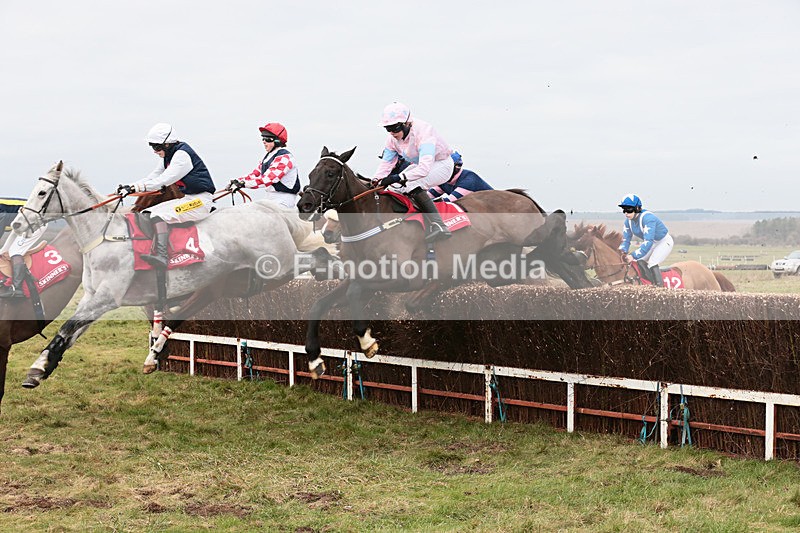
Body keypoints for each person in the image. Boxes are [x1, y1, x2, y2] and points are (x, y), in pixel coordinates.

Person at [117, 123, 216, 269]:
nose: (154, 151)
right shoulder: (169, 156)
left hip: (200, 201)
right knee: (147, 213)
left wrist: (135, 188)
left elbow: (163, 181)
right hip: (188, 198)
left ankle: (162, 256)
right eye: (152, 147)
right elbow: (152, 177)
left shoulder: (182, 156)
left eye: (156, 147)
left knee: (158, 216)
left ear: (168, 144)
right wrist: (129, 186)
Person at [372, 102, 454, 242]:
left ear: (407, 123)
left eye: (395, 128)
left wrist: (397, 177)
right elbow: (386, 163)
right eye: (388, 128)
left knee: (410, 184)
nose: (392, 132)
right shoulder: (391, 139)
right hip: (421, 166)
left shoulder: (424, 131)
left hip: (442, 164)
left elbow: (424, 168)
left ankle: (440, 226)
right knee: (394, 188)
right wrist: (377, 179)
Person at [226, 122, 300, 209]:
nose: (264, 142)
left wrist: (243, 184)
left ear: (277, 141)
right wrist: (237, 181)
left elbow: (268, 179)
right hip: (270, 198)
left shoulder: (285, 157)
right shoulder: (267, 157)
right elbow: (254, 175)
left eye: (268, 139)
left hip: (284, 200)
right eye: (263, 139)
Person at [618, 194, 673, 287]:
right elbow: (626, 240)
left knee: (652, 262)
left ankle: (660, 289)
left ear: (637, 208)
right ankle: (648, 284)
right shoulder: (628, 222)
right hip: (652, 243)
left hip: (664, 242)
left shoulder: (648, 219)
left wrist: (633, 255)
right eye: (624, 209)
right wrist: (621, 253)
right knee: (639, 261)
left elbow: (648, 242)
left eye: (629, 209)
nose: (626, 213)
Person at [0, 199, 47, 298]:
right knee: (3, 252)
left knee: (14, 252)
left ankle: (17, 289)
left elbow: (4, 220)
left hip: (35, 223)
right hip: (21, 223)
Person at [428, 152, 493, 202]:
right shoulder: (444, 180)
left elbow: (449, 202)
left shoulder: (469, 180)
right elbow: (428, 196)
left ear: (456, 168)